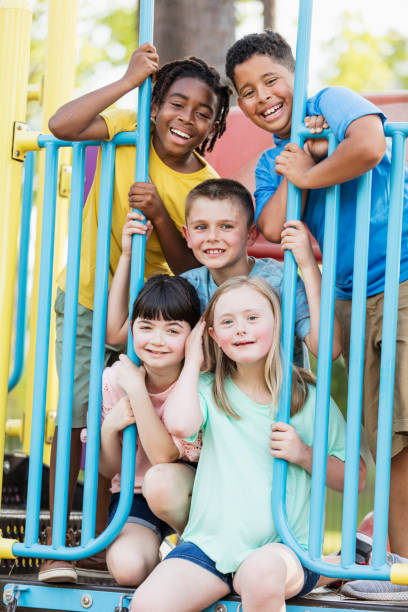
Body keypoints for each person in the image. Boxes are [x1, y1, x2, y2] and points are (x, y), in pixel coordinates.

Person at [40, 44, 231, 583]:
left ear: (214, 126)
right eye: (175, 104)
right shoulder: (128, 130)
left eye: (202, 113)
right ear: (154, 106)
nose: (186, 119)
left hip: (149, 321)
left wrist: (159, 214)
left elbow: (191, 263)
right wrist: (130, 80)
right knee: (79, 415)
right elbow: (62, 124)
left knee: (134, 419)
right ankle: (66, 547)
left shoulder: (202, 183)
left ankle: (123, 531)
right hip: (84, 299)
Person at [225, 31, 408, 563]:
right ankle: (396, 567)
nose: (263, 98)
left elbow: (370, 144)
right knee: (388, 442)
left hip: (400, 275)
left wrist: (309, 170)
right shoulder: (272, 160)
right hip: (352, 294)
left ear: (296, 73)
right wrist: (299, 155)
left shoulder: (329, 101)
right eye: (248, 92)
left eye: (271, 81)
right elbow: (274, 223)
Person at [130, 277, 355, 612]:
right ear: (212, 336)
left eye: (252, 318)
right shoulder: (208, 389)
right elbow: (179, 423)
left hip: (285, 548)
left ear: (277, 323)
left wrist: (305, 455)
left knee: (259, 575)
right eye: (227, 322)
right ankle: (333, 565)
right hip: (212, 546)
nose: (240, 330)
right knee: (148, 605)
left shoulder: (308, 398)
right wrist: (193, 358)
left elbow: (356, 478)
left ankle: (329, 565)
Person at [90, 274, 202, 587]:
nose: (157, 339)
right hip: (135, 495)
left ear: (192, 336)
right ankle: (165, 560)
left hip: (191, 495)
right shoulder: (116, 378)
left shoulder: (197, 382)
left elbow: (166, 457)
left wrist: (139, 393)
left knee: (160, 481)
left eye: (172, 330)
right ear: (132, 328)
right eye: (146, 326)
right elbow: (107, 468)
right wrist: (111, 427)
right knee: (127, 569)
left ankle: (195, 548)